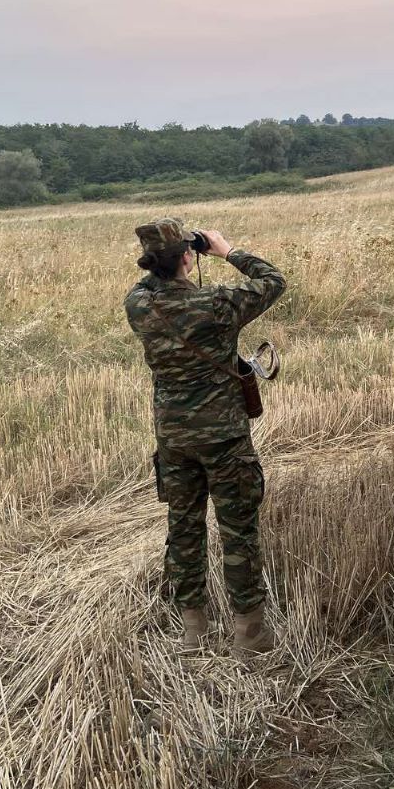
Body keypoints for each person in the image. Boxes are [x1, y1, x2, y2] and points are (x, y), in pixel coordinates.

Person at [125, 218, 286, 656]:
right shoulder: (215, 303)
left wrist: (169, 257)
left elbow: (153, 283)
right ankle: (250, 633)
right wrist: (226, 251)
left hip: (174, 438)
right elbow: (272, 280)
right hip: (224, 438)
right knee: (237, 531)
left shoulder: (139, 305)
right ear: (186, 258)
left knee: (184, 526)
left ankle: (193, 627)